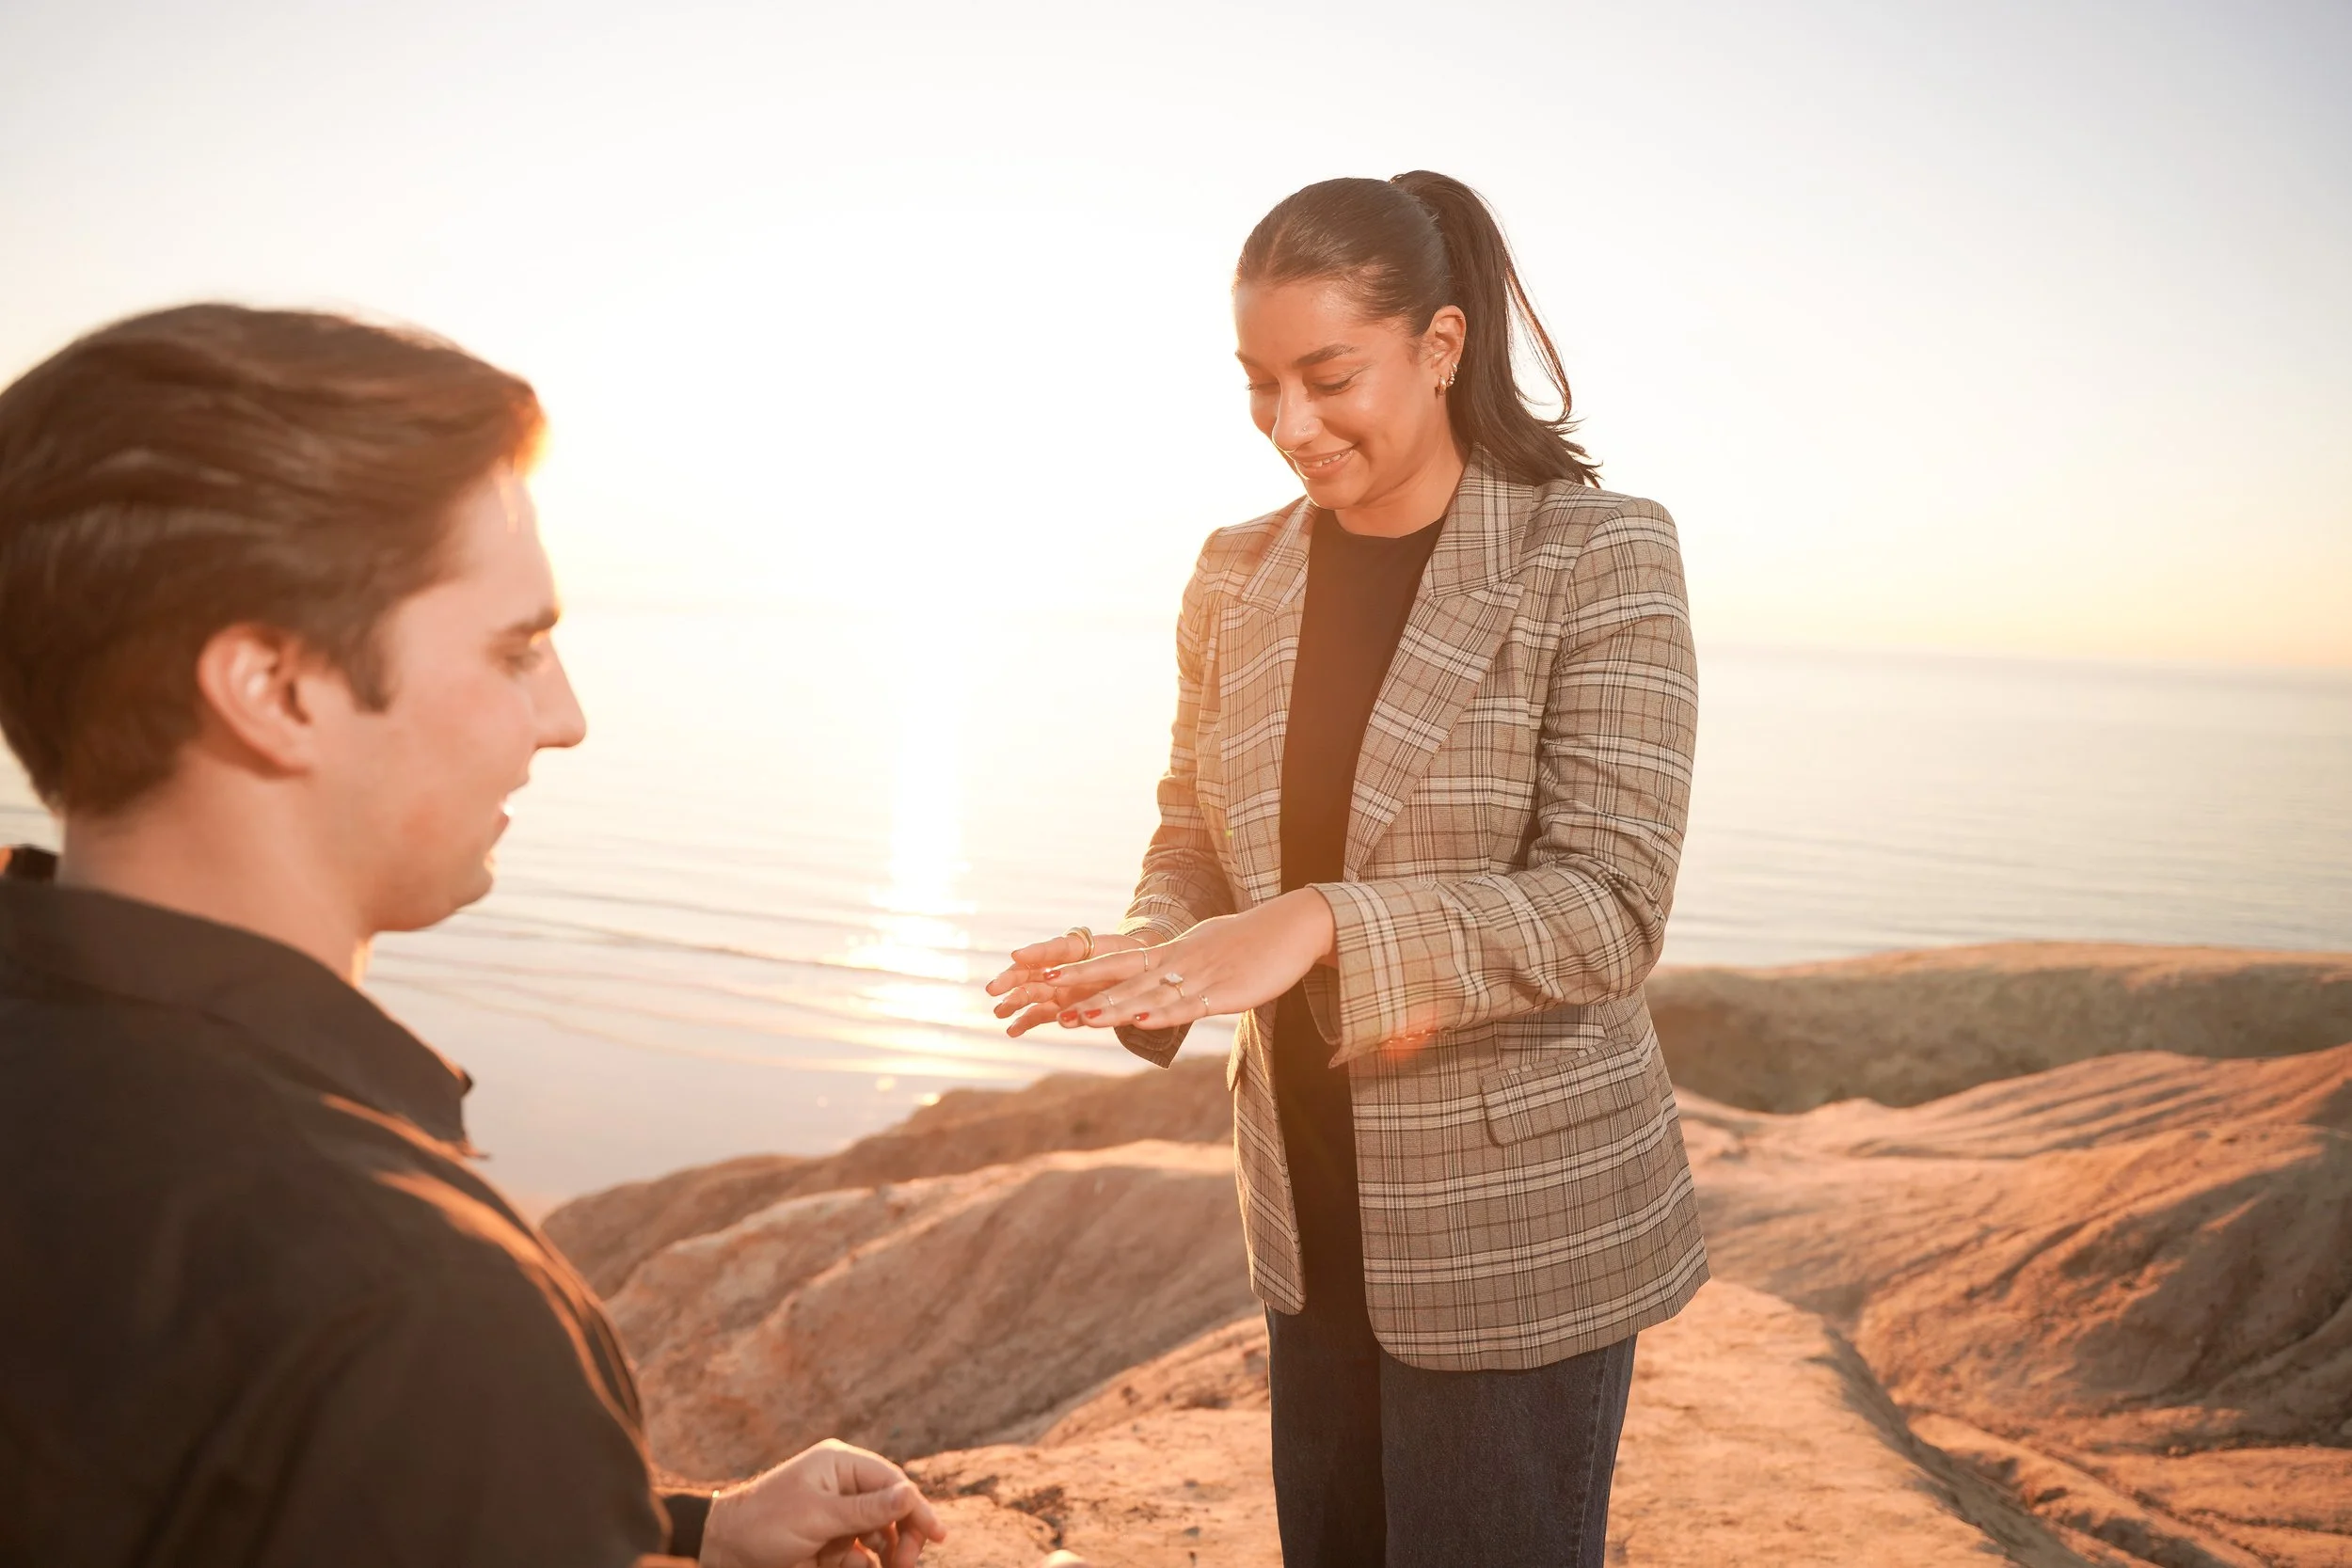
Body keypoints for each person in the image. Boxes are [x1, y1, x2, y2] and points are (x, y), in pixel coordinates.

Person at [0, 305, 946, 1568]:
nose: (565, 717)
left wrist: (679, 1527)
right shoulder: (406, 1304)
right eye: (516, 648)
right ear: (276, 689)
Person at [987, 172, 1708, 1567]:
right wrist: (1154, 947)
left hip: (1517, 1234)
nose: (1291, 426)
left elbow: (1610, 908)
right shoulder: (1233, 571)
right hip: (1309, 1221)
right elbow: (1194, 826)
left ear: (1440, 348)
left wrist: (1317, 923)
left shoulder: (1602, 554)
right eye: (1260, 384)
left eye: (1329, 377)